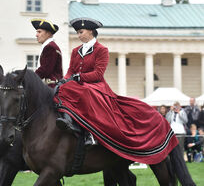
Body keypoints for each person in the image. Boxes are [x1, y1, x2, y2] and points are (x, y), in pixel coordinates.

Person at [54, 17, 178, 164]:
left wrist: (79, 77)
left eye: (81, 32)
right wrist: (64, 79)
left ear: (91, 32)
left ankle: (91, 134)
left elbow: (98, 74)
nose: (79, 35)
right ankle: (67, 120)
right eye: (78, 33)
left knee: (84, 92)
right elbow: (70, 71)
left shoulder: (102, 50)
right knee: (60, 89)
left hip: (95, 86)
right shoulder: (76, 51)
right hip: (78, 83)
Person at [31, 19, 63, 88]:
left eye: (39, 32)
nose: (36, 35)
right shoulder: (49, 46)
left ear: (48, 34)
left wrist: (30, 78)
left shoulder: (50, 47)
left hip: (51, 86)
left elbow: (45, 70)